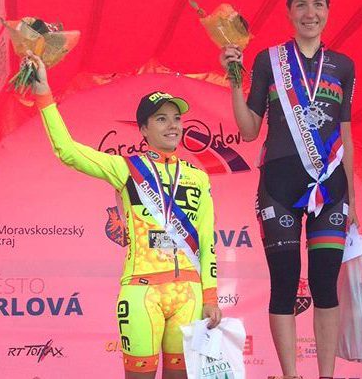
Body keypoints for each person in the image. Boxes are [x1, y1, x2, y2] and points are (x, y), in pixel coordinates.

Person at [28, 51, 222, 379]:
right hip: (141, 291)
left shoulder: (198, 177)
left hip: (188, 293)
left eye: (176, 118)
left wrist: (211, 295)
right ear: (143, 129)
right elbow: (68, 151)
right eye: (161, 119)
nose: (172, 125)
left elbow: (207, 240)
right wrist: (44, 94)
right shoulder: (126, 169)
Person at [220, 0, 357, 379]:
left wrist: (352, 199)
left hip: (331, 187)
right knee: (284, 283)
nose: (310, 13)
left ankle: (327, 375)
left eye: (318, 4)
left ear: (328, 10)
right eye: (301, 5)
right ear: (289, 13)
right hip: (278, 186)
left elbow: (346, 134)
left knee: (325, 285)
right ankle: (291, 375)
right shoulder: (269, 60)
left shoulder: (344, 66)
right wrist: (234, 80)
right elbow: (249, 130)